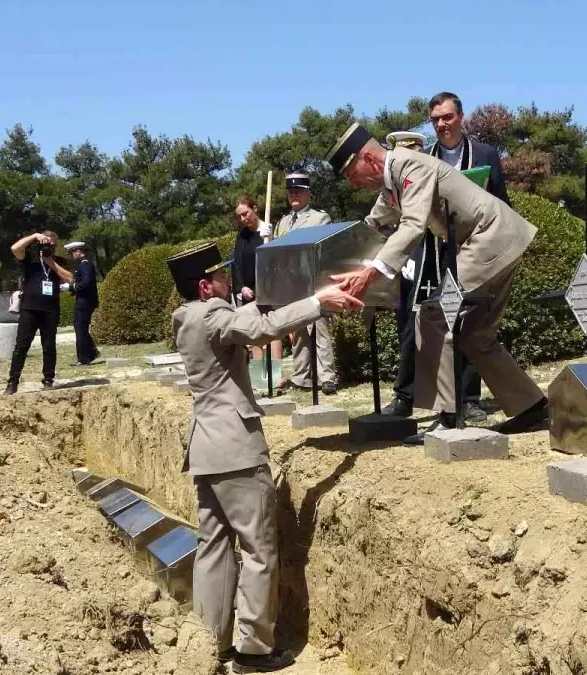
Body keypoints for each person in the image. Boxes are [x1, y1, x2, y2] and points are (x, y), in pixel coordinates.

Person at [168, 241, 361, 672]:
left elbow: (250, 320)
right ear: (205, 286)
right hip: (236, 449)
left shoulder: (189, 318)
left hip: (205, 448)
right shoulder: (213, 314)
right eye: (222, 277)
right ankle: (254, 649)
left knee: (213, 547)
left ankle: (209, 640)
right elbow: (259, 331)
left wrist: (267, 303)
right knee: (258, 550)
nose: (229, 282)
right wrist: (317, 301)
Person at [327, 123, 549, 442]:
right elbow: (373, 227)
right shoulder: (391, 184)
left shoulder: (409, 165)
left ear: (369, 160)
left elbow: (413, 225)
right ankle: (532, 406)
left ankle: (447, 417)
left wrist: (372, 272)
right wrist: (333, 262)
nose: (353, 185)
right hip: (494, 239)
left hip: (488, 238)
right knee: (475, 334)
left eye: (352, 175)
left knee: (434, 315)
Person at [384, 94, 511, 424]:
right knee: (418, 319)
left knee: (468, 320)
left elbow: (501, 205)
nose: (442, 124)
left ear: (461, 117)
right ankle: (406, 395)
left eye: (447, 117)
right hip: (432, 251)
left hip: (473, 248)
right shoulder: (426, 158)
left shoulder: (484, 154)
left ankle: (468, 398)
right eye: (436, 119)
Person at [273, 172, 337, 395]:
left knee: (320, 329)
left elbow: (324, 248)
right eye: (291, 192)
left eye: (298, 191)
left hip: (314, 280)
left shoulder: (320, 218)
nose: (294, 195)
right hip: (292, 284)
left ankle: (327, 376)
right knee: (299, 330)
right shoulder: (281, 222)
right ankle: (302, 376)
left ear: (308, 193)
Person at [4, 231, 73, 395]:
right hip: (30, 309)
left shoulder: (59, 262)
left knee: (49, 346)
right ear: (40, 245)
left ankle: (48, 379)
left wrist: (51, 263)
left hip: (50, 310)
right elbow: (15, 248)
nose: (49, 247)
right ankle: (13, 381)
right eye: (46, 243)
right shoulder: (30, 260)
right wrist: (34, 236)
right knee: (21, 346)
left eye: (52, 244)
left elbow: (70, 278)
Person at [232, 196, 281, 364]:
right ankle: (260, 376)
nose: (243, 219)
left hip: (268, 288)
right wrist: (242, 287)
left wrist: (271, 239)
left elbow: (278, 259)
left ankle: (276, 375)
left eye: (245, 213)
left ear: (255, 209)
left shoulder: (270, 230)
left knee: (272, 330)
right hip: (249, 291)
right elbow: (237, 262)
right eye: (239, 216)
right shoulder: (242, 235)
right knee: (254, 332)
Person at [62, 241, 100, 367]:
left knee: (80, 328)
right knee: (80, 327)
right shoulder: (83, 264)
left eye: (72, 253)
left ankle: (84, 358)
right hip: (84, 300)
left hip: (85, 301)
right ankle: (91, 352)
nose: (72, 256)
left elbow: (86, 282)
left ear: (78, 251)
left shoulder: (85, 264)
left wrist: (71, 287)